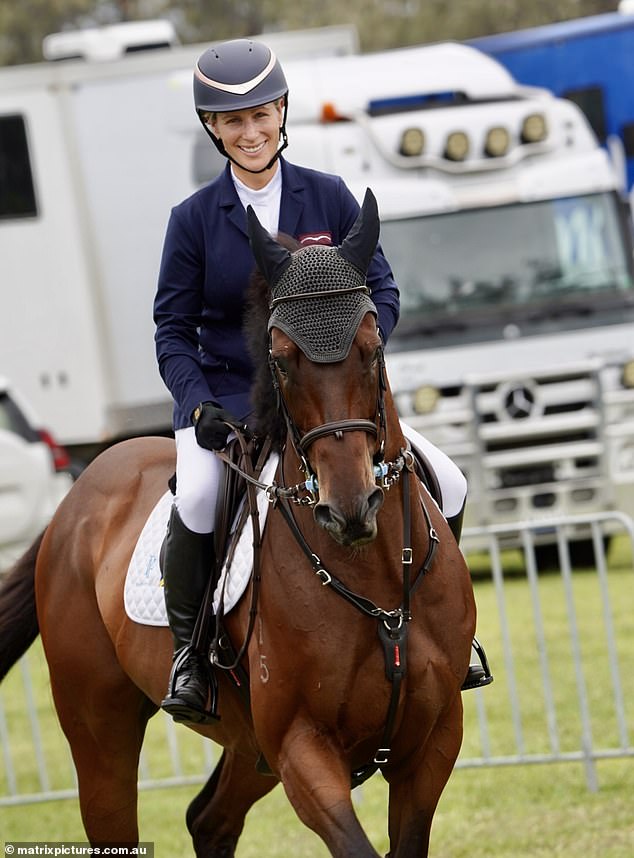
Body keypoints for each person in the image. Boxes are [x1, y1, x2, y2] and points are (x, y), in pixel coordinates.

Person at [153, 38, 481, 725]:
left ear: (282, 113)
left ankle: (452, 631)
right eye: (233, 122)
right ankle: (191, 653)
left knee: (447, 479)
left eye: (261, 115)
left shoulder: (328, 197)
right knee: (200, 499)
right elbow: (172, 331)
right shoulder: (191, 222)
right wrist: (195, 405)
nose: (250, 132)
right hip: (233, 407)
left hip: (333, 402)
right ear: (214, 129)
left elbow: (381, 291)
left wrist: (355, 353)